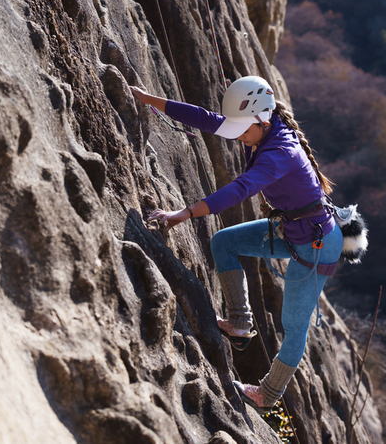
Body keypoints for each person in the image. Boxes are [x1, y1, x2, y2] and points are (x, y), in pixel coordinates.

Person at [130, 76, 343, 412]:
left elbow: (241, 189)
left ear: (261, 120)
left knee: (293, 327)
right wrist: (149, 99)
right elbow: (207, 119)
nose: (239, 137)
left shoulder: (280, 152)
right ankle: (240, 323)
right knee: (224, 242)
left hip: (317, 247)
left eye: (243, 131)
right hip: (292, 230)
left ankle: (268, 395)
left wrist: (185, 213)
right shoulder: (260, 131)